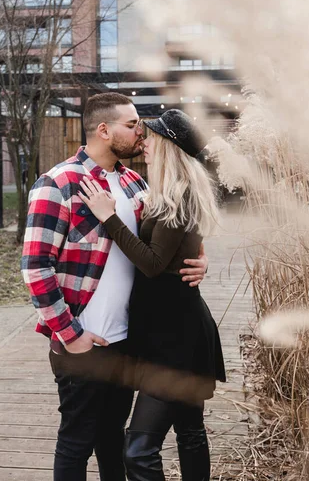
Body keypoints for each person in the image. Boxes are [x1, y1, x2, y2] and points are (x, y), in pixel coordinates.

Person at [21, 93, 209, 481]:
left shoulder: (133, 181)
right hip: (84, 341)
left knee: (113, 442)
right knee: (76, 443)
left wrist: (199, 262)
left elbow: (166, 241)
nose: (140, 131)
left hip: (129, 341)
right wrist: (71, 336)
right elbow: (36, 267)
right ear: (103, 130)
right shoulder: (59, 182)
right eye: (131, 123)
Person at [78, 108, 226, 481]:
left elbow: (153, 263)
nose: (144, 143)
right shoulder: (162, 192)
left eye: (152, 138)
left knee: (139, 450)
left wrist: (108, 217)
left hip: (176, 337)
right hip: (171, 327)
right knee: (190, 432)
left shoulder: (181, 196)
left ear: (170, 147)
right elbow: (179, 252)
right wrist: (200, 259)